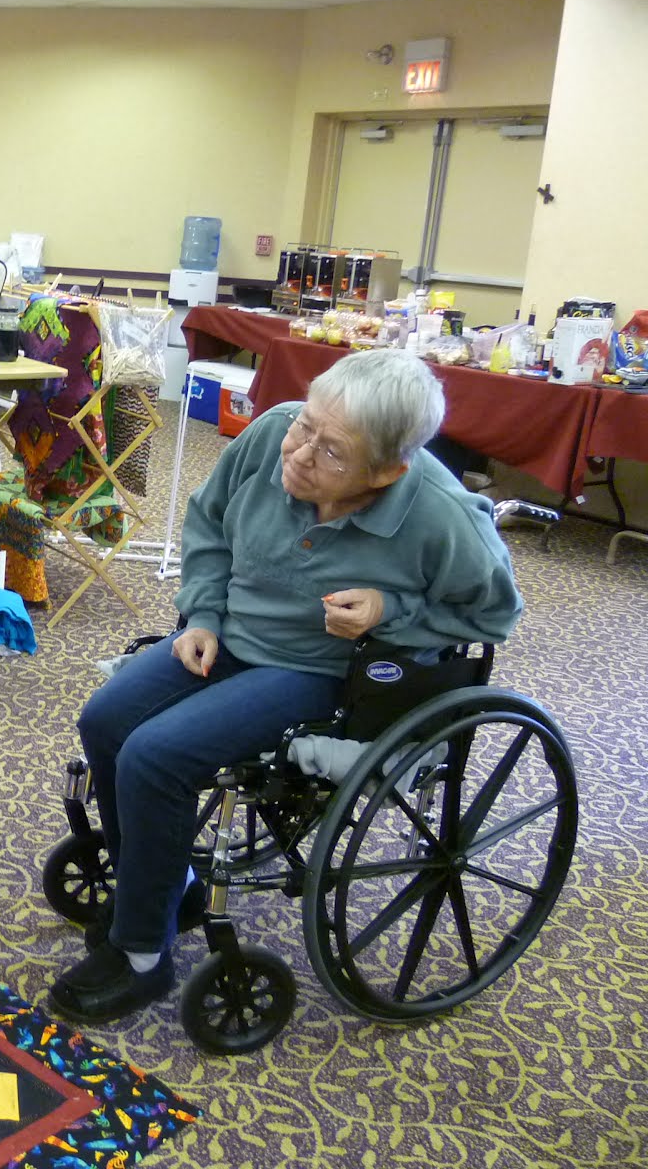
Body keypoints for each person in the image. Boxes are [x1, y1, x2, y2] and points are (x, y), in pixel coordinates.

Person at [49, 350, 523, 1025]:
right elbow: (209, 523)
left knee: (155, 756)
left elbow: (493, 613)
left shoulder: (442, 517)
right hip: (227, 632)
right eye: (305, 425)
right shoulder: (274, 433)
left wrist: (392, 613)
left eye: (331, 451)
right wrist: (204, 611)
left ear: (387, 470)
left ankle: (141, 955)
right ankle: (167, 887)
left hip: (318, 671)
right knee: (105, 720)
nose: (298, 453)